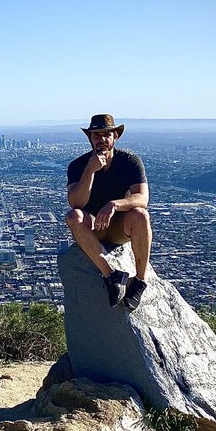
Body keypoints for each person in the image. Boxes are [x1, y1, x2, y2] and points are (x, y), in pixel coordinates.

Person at [65, 114, 152, 311]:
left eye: (106, 134)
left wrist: (114, 204)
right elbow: (76, 203)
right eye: (96, 135)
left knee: (141, 215)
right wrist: (90, 171)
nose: (101, 139)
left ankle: (139, 281)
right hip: (93, 226)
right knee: (73, 217)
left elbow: (142, 199)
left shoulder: (130, 161)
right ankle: (111, 275)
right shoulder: (78, 166)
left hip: (120, 225)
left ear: (115, 137)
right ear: (90, 139)